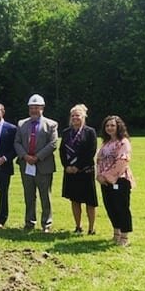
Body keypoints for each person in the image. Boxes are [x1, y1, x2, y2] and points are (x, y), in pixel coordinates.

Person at [14, 94, 58, 232]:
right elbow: (17, 142)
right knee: (29, 195)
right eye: (31, 107)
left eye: (36, 107)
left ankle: (46, 224)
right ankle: (29, 222)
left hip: (43, 166)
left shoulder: (51, 124)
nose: (33, 110)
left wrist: (37, 157)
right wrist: (25, 156)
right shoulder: (22, 124)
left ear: (42, 108)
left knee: (45, 196)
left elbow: (53, 144)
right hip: (26, 165)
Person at [96, 115, 136, 247]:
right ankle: (116, 233)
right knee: (110, 207)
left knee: (121, 207)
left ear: (118, 126)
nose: (110, 128)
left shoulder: (123, 142)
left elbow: (122, 162)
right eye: (107, 126)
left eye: (112, 125)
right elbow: (99, 161)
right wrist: (99, 176)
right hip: (104, 181)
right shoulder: (105, 143)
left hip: (120, 180)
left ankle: (124, 237)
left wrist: (108, 177)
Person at [60, 104, 98, 235]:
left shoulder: (90, 132)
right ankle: (78, 226)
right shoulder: (66, 133)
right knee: (74, 200)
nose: (75, 118)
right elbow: (61, 151)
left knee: (90, 201)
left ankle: (91, 228)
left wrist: (78, 167)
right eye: (73, 115)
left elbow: (91, 151)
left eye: (78, 115)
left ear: (84, 117)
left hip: (85, 172)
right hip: (70, 172)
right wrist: (67, 166)